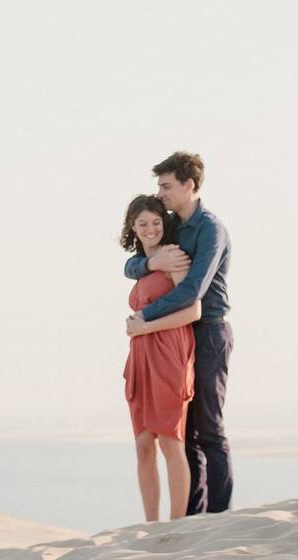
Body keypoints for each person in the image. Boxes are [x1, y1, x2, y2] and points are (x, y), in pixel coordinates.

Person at [125, 152, 234, 515]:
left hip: (209, 331)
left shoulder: (210, 229)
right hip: (177, 335)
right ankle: (191, 516)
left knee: (209, 428)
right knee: (184, 434)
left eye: (166, 185)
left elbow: (191, 292)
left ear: (189, 185)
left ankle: (219, 516)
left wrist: (144, 317)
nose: (160, 192)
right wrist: (149, 262)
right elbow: (137, 257)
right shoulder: (172, 225)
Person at [121, 195, 203, 521]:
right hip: (140, 357)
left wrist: (147, 326)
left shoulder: (174, 257)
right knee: (143, 445)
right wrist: (140, 332)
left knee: (171, 442)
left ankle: (177, 524)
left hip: (169, 351)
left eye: (156, 222)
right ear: (133, 227)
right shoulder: (141, 265)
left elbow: (193, 310)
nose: (151, 228)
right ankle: (150, 525)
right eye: (143, 224)